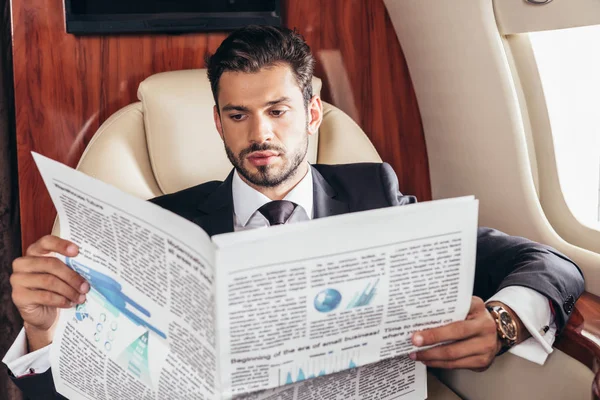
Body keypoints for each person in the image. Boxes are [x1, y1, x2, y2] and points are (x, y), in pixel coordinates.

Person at [5, 25, 585, 399]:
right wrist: (42, 328)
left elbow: (550, 263)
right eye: (237, 115)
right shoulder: (159, 226)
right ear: (217, 122)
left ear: (312, 115)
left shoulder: (375, 198)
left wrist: (506, 323)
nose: (260, 133)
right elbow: (76, 389)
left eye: (278, 111)